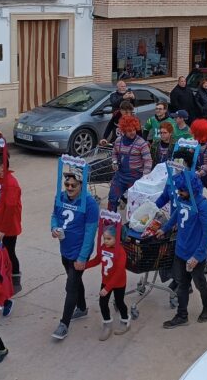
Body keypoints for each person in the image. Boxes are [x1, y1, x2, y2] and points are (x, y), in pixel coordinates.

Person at [158, 170, 207, 328]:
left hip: (195, 254)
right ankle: (182, 315)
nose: (179, 193)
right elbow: (176, 215)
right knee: (182, 284)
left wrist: (197, 256)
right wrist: (165, 228)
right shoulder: (183, 200)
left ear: (191, 189)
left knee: (199, 283)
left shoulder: (204, 206)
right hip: (180, 251)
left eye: (182, 190)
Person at [50, 170, 99, 340]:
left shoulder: (90, 204)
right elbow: (54, 215)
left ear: (82, 185)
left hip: (79, 251)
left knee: (70, 286)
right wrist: (53, 228)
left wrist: (82, 257)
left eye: (74, 185)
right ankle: (82, 308)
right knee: (75, 280)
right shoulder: (61, 197)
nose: (69, 188)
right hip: (65, 247)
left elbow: (90, 232)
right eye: (67, 184)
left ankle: (64, 324)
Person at [0, 151, 23, 294]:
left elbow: (10, 209)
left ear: (2, 167)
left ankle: (15, 279)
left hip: (8, 226)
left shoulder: (11, 183)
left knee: (9, 252)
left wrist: (2, 229)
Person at [85, 222, 130, 341]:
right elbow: (97, 260)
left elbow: (119, 272)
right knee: (103, 303)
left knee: (120, 302)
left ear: (117, 238)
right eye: (104, 238)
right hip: (106, 280)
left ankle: (125, 320)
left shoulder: (121, 252)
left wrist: (107, 288)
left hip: (118, 283)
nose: (106, 241)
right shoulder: (103, 247)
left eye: (109, 239)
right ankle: (107, 324)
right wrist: (84, 265)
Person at [109, 115, 152, 213]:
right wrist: (114, 162)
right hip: (120, 176)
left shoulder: (141, 143)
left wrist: (145, 175)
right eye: (129, 131)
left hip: (135, 177)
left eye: (134, 130)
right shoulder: (118, 141)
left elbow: (148, 160)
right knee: (112, 198)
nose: (132, 132)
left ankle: (131, 220)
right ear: (124, 131)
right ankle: (111, 219)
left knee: (135, 203)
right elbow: (114, 153)